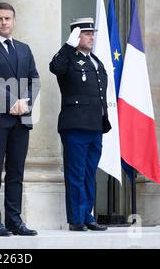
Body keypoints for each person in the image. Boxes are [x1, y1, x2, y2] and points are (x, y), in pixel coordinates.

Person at [0, 2, 40, 236]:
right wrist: (13, 102)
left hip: (21, 119)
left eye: (8, 18)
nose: (4, 22)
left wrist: (26, 103)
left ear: (14, 21)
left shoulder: (24, 49)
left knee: (16, 172)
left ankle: (14, 221)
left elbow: (35, 79)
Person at [49, 18, 111, 231]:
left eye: (92, 33)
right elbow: (55, 68)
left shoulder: (96, 61)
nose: (91, 36)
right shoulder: (68, 58)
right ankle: (76, 219)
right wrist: (67, 46)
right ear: (76, 36)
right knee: (75, 173)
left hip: (95, 125)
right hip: (75, 125)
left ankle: (87, 216)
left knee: (89, 173)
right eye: (86, 33)